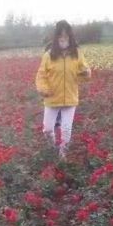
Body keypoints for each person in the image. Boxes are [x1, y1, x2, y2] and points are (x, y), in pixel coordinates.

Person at [35, 20, 91, 159]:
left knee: (66, 129)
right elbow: (41, 75)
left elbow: (84, 71)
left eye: (66, 36)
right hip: (52, 97)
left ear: (70, 36)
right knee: (48, 130)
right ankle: (53, 149)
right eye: (61, 35)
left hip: (70, 98)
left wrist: (86, 73)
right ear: (56, 37)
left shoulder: (77, 53)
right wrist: (43, 89)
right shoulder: (48, 55)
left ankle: (62, 155)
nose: (63, 38)